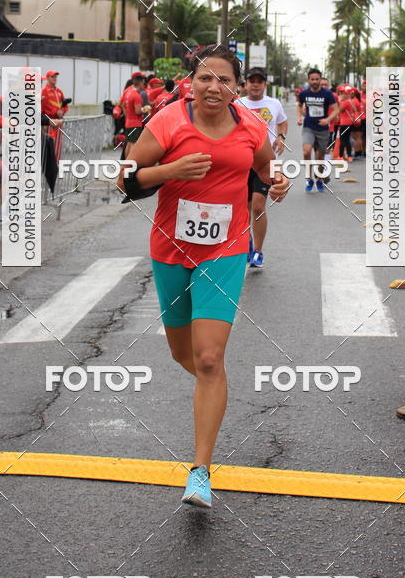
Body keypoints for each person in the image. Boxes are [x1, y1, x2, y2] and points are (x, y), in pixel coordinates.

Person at [118, 44, 289, 509]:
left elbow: (266, 168)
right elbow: (126, 179)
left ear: (237, 88)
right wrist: (171, 169)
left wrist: (279, 180)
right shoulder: (169, 122)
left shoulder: (252, 126)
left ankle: (200, 471)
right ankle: (213, 389)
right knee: (184, 355)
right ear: (190, 83)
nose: (214, 87)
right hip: (171, 250)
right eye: (205, 79)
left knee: (209, 358)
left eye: (224, 80)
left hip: (226, 249)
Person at [239, 67, 287, 268]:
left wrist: (281, 137)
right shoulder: (237, 104)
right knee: (243, 208)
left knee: (258, 205)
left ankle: (257, 251)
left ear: (265, 84)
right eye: (252, 81)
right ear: (246, 84)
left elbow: (282, 123)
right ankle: (245, 242)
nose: (256, 84)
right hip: (241, 161)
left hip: (267, 161)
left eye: (259, 81)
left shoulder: (274, 104)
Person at [297, 68, 343, 192]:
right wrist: (299, 117)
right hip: (308, 127)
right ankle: (309, 178)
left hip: (322, 129)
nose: (315, 81)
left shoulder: (327, 94)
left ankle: (319, 178)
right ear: (309, 80)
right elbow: (299, 105)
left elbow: (336, 109)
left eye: (317, 79)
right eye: (312, 79)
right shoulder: (304, 94)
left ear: (320, 79)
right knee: (306, 152)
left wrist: (328, 120)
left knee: (320, 156)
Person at [41, 70, 69, 158]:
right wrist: (55, 112)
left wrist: (63, 112)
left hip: (58, 123)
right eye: (52, 77)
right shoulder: (44, 91)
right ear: (47, 78)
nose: (55, 78)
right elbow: (43, 109)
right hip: (50, 123)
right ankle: (51, 164)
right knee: (51, 143)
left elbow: (65, 106)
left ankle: (57, 163)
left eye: (55, 77)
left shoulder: (59, 91)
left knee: (58, 144)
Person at [123, 72, 146, 157]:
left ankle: (126, 162)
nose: (144, 85)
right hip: (135, 123)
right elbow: (138, 111)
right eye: (143, 83)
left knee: (129, 143)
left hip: (128, 122)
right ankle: (130, 163)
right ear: (140, 83)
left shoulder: (129, 93)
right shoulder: (136, 96)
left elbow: (123, 106)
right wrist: (145, 109)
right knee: (134, 144)